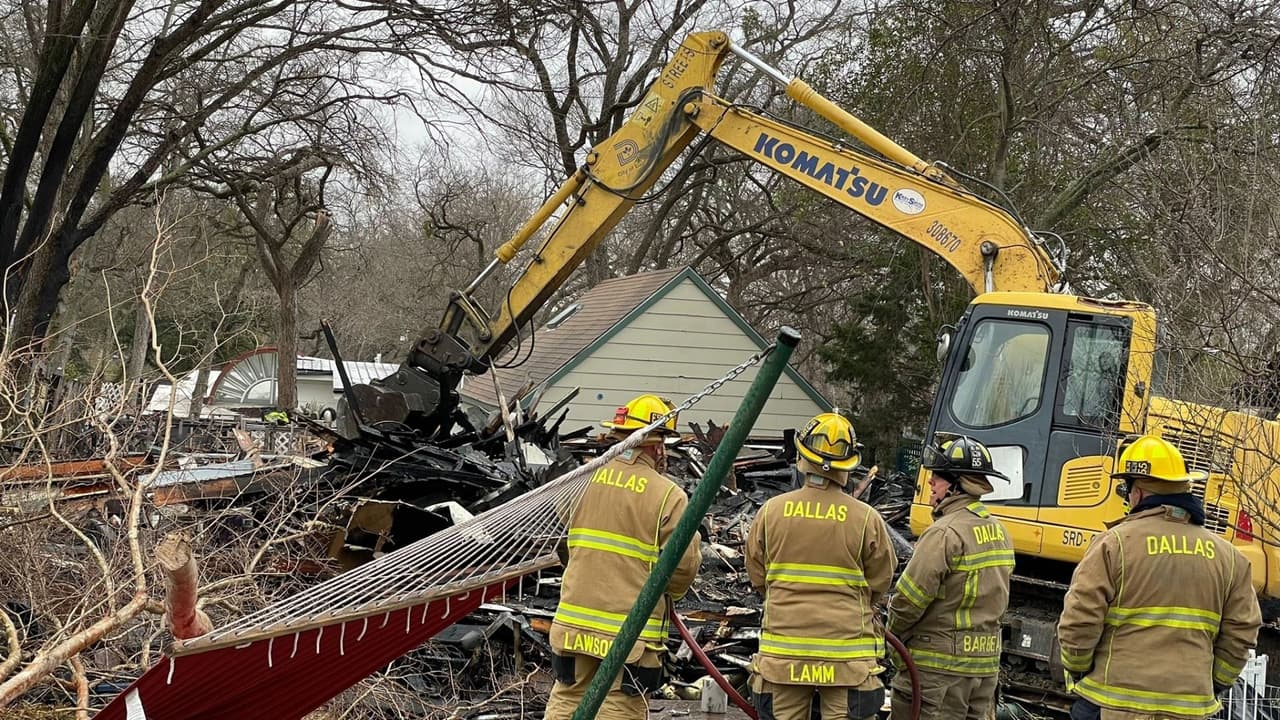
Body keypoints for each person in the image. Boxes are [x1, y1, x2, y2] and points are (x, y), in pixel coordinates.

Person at [1057, 435, 1261, 720]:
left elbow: (1079, 620)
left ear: (1138, 492)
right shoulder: (1231, 558)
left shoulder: (1113, 544)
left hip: (1115, 705)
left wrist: (1078, 669)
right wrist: (1214, 683)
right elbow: (1243, 631)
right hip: (1189, 709)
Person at [544, 394, 702, 720]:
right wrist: (666, 591)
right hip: (630, 639)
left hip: (573, 627)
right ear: (657, 446)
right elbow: (683, 567)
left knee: (567, 699)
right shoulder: (668, 496)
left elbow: (563, 539)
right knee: (619, 705)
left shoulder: (581, 479)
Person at [745, 412, 897, 720]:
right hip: (847, 661)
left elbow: (758, 576)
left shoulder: (770, 512)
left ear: (802, 457)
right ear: (848, 466)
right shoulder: (866, 518)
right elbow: (880, 581)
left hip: (783, 658)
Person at [888, 434, 1014, 720]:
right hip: (983, 672)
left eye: (939, 476)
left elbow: (908, 600)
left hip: (938, 675)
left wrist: (895, 641)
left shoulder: (945, 533)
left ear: (957, 485)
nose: (930, 482)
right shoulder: (1000, 532)